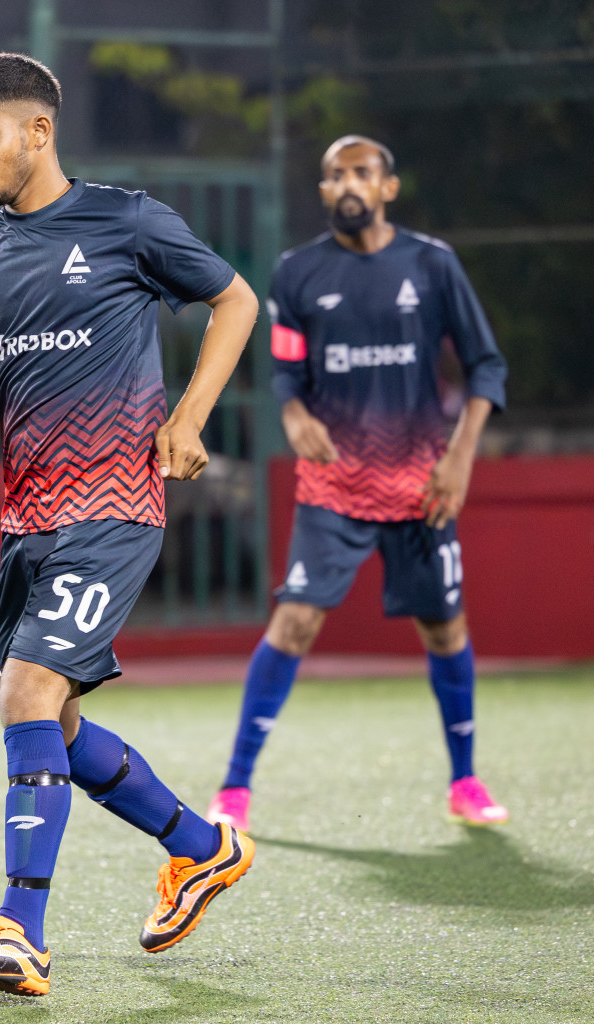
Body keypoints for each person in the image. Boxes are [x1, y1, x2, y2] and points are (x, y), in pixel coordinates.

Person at [0, 53, 260, 997]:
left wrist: (189, 416)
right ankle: (202, 849)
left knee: (27, 691)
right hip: (28, 519)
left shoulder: (127, 221)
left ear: (38, 131)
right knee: (60, 723)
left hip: (114, 506)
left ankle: (21, 931)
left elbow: (236, 299)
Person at [206, 136, 510, 834]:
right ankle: (235, 788)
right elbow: (286, 371)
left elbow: (486, 366)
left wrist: (461, 456)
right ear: (323, 190)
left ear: (387, 188)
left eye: (362, 172)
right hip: (333, 487)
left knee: (445, 627)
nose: (348, 183)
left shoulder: (432, 264)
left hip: (422, 485)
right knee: (294, 621)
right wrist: (292, 414)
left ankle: (464, 781)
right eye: (335, 174)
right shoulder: (297, 272)